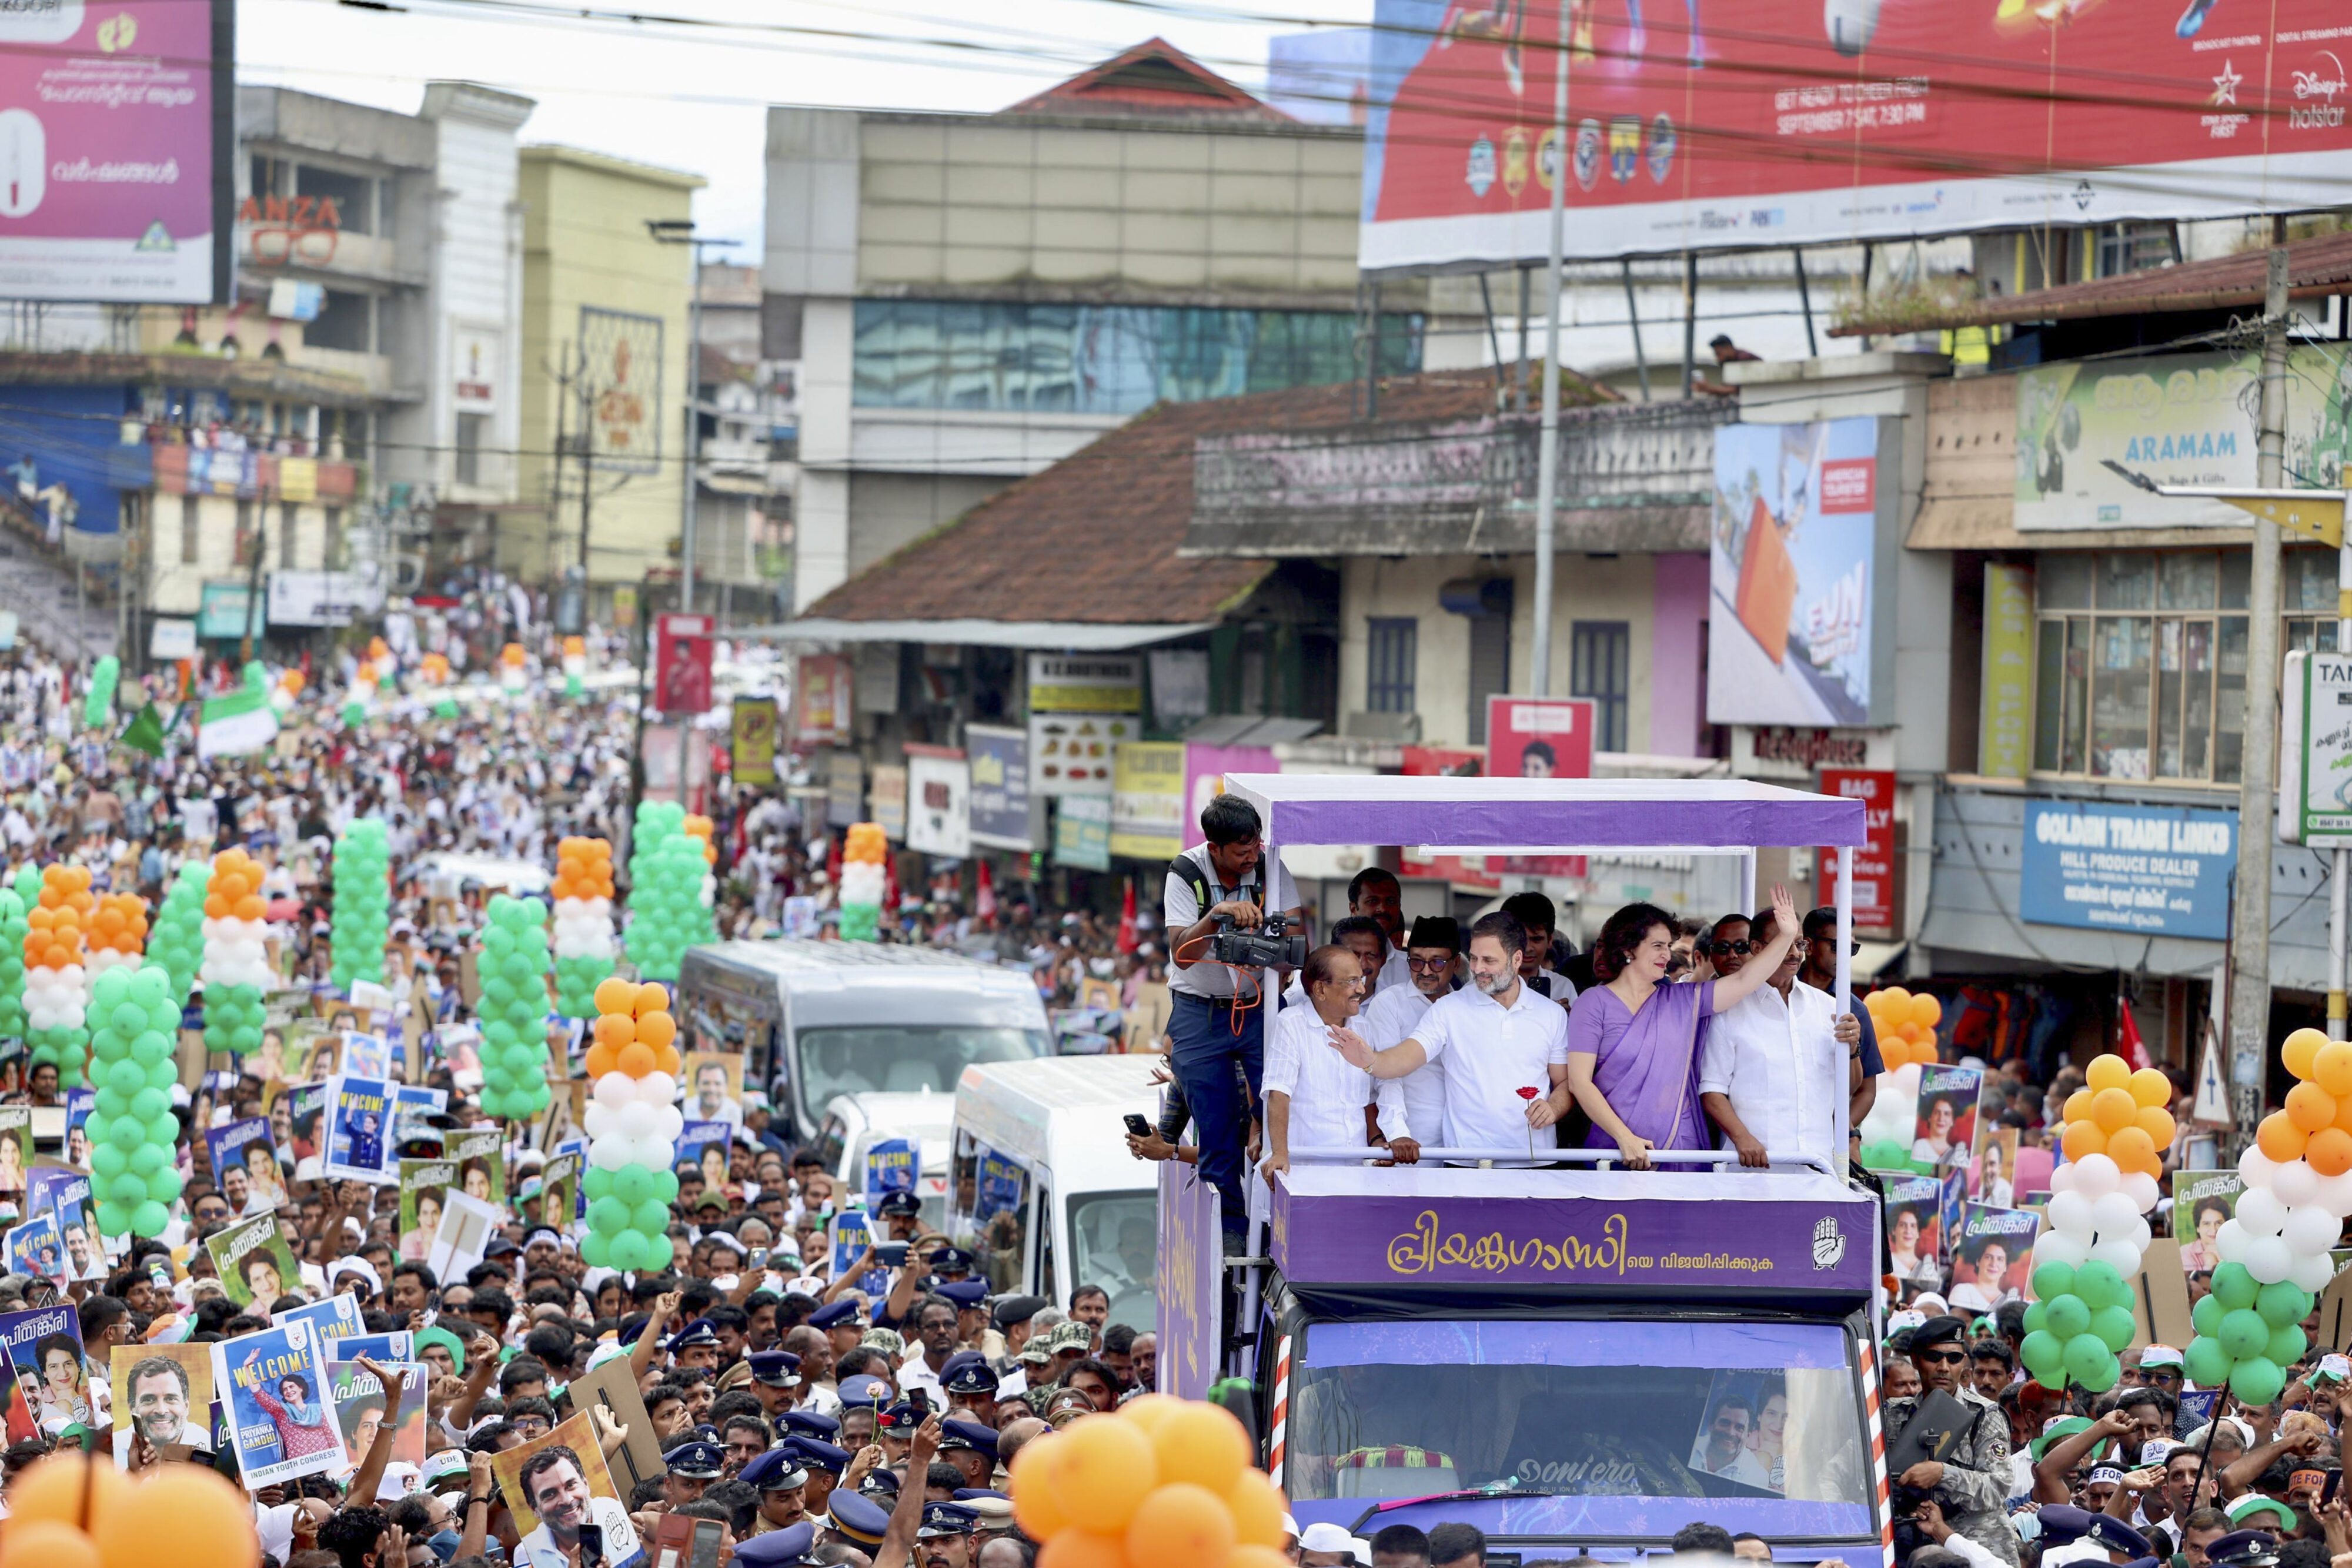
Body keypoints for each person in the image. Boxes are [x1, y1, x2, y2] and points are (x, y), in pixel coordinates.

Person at [1565, 891, 1802, 1168]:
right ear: (1628, 949)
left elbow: (1744, 979)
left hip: (1680, 1151)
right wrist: (1624, 1137)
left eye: (1669, 945)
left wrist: (1786, 937)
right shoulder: (1593, 1003)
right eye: (1657, 946)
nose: (1667, 955)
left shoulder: (1683, 999)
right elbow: (1579, 1083)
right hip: (1615, 1152)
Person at [1163, 793, 1302, 1243]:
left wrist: (1268, 942)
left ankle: (1285, 1221)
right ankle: (1231, 1239)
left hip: (1259, 1004)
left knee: (1285, 1111)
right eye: (1242, 850)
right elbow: (1181, 956)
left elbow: (1296, 939)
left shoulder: (1268, 867)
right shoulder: (1186, 872)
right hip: (1199, 1011)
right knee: (1218, 1130)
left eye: (1256, 844)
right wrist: (1216, 917)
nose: (1252, 855)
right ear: (1215, 847)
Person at [1331, 911, 1566, 1165]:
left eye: (1489, 960)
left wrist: (1553, 1108)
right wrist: (1371, 1061)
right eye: (1474, 959)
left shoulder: (1552, 1013)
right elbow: (1407, 1057)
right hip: (1467, 1161)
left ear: (1517, 959)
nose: (1477, 969)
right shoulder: (1449, 1008)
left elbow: (1564, 1084)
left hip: (1535, 1159)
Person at [1697, 904, 1860, 1170]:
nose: (1795, 954)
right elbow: (1712, 1091)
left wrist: (1853, 1049)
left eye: (1799, 943)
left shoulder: (1829, 1007)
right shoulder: (1730, 1009)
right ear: (1759, 949)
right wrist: (1742, 1138)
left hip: (1817, 1167)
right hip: (1754, 1170)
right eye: (1784, 943)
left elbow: (1846, 1090)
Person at [1262, 945, 1412, 1178]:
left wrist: (1380, 1143)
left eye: (1361, 979)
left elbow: (1375, 1092)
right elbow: (1279, 1094)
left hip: (1355, 1170)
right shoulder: (1291, 1023)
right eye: (1352, 981)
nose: (1362, 989)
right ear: (1321, 989)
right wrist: (1280, 1154)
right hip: (1302, 1170)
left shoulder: (1363, 1027)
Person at [1883, 1315, 2019, 1566]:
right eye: (1935, 1357)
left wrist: (1942, 1473)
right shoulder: (1893, 1414)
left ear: (1963, 1363)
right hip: (1909, 1548)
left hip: (1974, 1547)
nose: (1944, 1367)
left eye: (1954, 1358)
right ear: (1915, 1360)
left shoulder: (1983, 1414)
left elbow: (1996, 1488)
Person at [1358, 917, 1460, 1149]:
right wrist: (1397, 1134)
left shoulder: (1467, 1006)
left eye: (1437, 963)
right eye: (1416, 962)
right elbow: (1386, 1076)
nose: (1425, 971)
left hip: (1463, 1142)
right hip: (1411, 1142)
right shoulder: (1390, 1003)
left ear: (1456, 964)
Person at [514, 1444, 642, 1567]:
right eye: (550, 1494)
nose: (567, 1500)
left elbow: (663, 1559)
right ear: (534, 1508)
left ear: (586, 1484)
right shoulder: (528, 1554)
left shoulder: (626, 1519)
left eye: (570, 1485)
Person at [242, 1350, 339, 1462]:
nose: (289, 1391)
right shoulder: (282, 1412)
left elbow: (330, 1437)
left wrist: (337, 1464)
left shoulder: (317, 1409)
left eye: (292, 1387)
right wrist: (247, 1369)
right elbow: (259, 1394)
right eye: (285, 1390)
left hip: (327, 1464)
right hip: (301, 1471)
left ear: (301, 1388)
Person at [1498, 892, 1575, 1004]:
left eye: (1537, 939)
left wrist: (1565, 1018)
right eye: (1520, 939)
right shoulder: (1483, 985)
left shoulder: (1563, 987)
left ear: (1549, 940)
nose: (1528, 948)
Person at [1688, 1394, 1772, 1486]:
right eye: (1725, 1423)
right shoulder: (1690, 1446)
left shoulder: (1756, 1477)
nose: (1730, 1433)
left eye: (1740, 1428)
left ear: (1748, 1436)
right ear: (1711, 1425)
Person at [123, 1354, 193, 1446]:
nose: (161, 1411)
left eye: (170, 1399)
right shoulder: (112, 1449)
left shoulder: (211, 1445)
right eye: (149, 1400)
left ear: (186, 1406)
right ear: (132, 1408)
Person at [2180, 1198, 2231, 1272]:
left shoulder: (2234, 1249)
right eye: (2207, 1224)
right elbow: (2190, 1283)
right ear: (2198, 1227)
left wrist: (2220, 1260)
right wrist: (2210, 1264)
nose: (2213, 1230)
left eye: (2218, 1223)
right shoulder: (2185, 1252)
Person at [1915, 1098, 1960, 1166]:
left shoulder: (1957, 1155)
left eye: (1947, 1114)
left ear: (1952, 1122)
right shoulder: (1920, 1146)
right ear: (1930, 1117)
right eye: (1937, 1113)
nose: (1941, 1118)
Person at [1976, 1139, 2013, 1207]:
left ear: (2000, 1168)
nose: (1987, 1170)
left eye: (1992, 1164)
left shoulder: (2005, 1191)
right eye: (1985, 1165)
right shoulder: (1982, 1188)